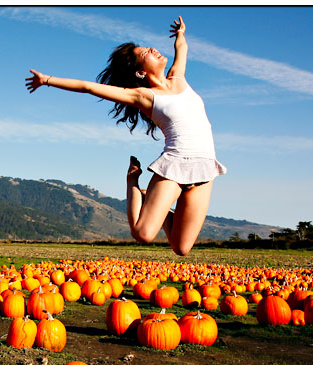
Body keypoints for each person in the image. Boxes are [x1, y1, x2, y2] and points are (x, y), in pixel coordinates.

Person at [26, 16, 226, 256]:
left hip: (204, 166)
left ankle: (152, 203)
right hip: (175, 164)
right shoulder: (143, 96)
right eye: (145, 54)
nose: (153, 49)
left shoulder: (178, 76)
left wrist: (181, 34)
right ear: (141, 72)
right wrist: (47, 80)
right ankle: (135, 184)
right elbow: (88, 87)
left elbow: (181, 50)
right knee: (143, 233)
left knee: (181, 247)